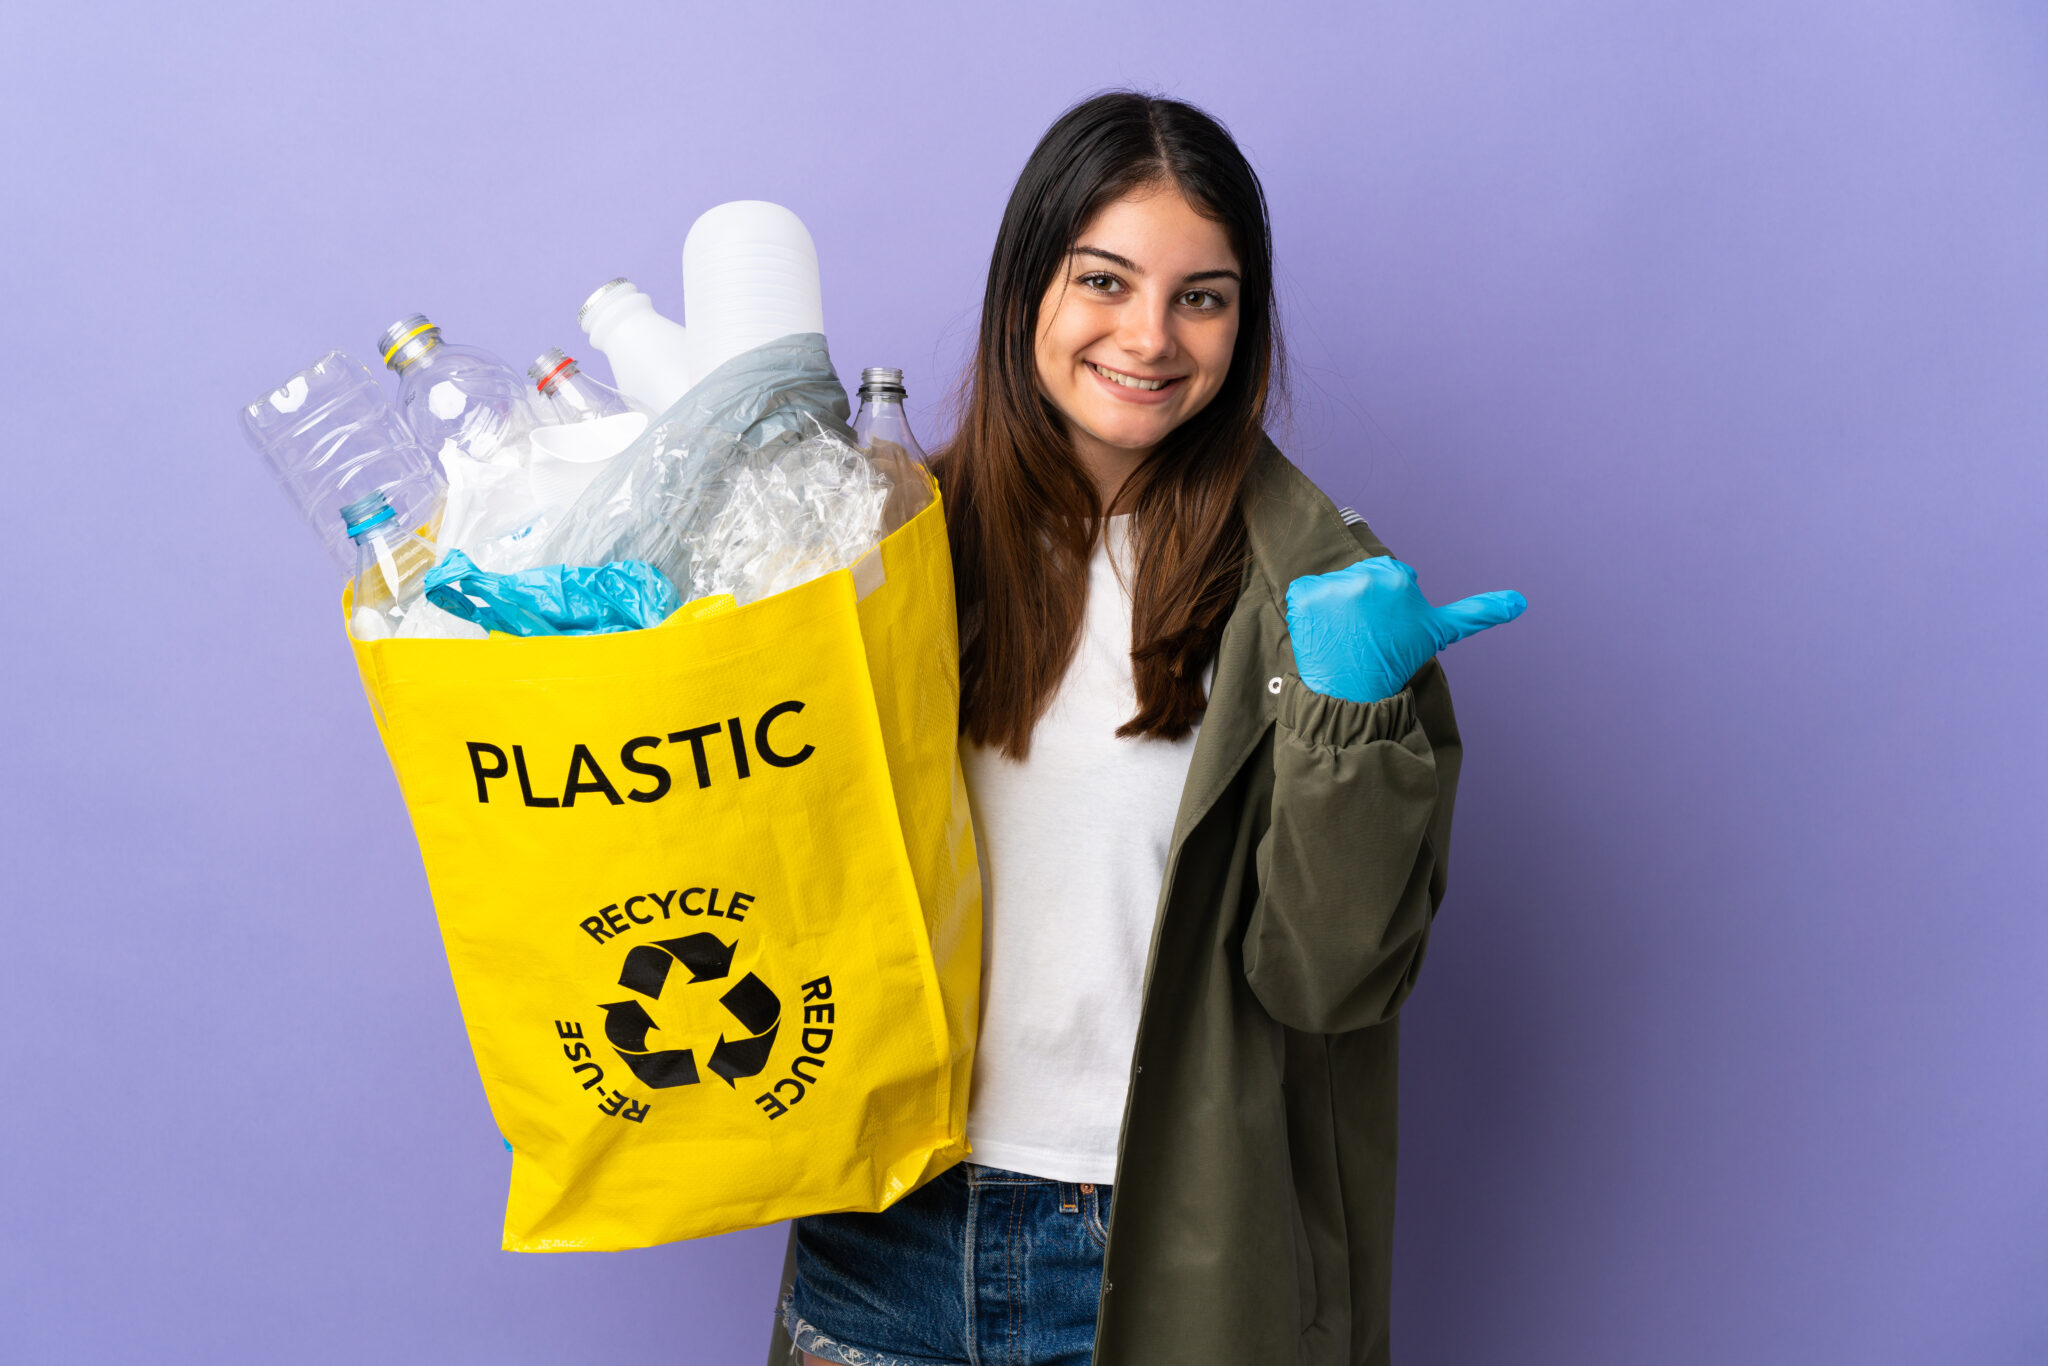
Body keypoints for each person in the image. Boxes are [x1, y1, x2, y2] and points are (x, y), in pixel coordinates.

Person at [767, 90, 1525, 1366]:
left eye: (1201, 296)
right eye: (1104, 281)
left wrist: (1351, 722)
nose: (1148, 336)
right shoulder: (885, 543)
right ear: (1028, 295)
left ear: (1245, 320)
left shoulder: (1318, 598)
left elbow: (1329, 978)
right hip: (876, 1226)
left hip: (1164, 1242)